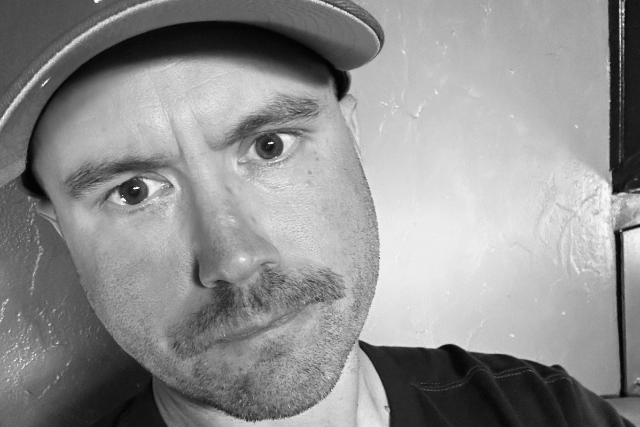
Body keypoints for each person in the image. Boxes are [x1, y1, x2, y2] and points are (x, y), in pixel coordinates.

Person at [0, 0, 633, 426]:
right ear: (60, 226)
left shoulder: (543, 411)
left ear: (351, 136)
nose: (234, 258)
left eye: (269, 146)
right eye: (134, 191)